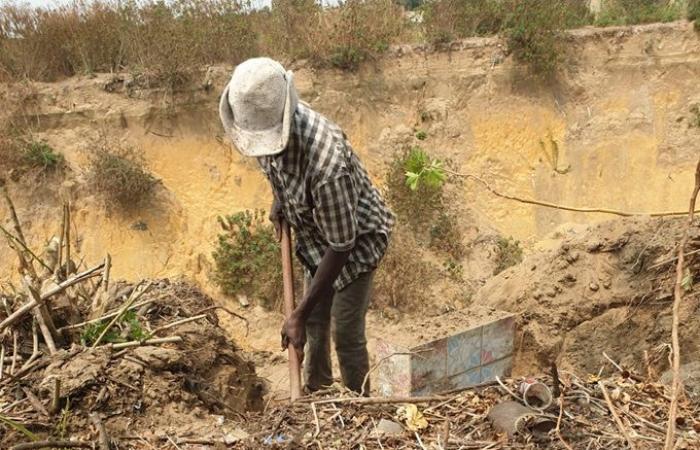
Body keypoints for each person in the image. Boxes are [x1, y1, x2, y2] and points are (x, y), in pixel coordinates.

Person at [219, 57, 393, 394]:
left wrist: (296, 313)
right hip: (318, 234)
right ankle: (318, 394)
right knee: (314, 321)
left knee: (346, 331)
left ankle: (359, 406)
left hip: (356, 243)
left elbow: (343, 243)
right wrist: (280, 199)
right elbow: (275, 166)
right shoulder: (264, 118)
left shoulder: (326, 163)